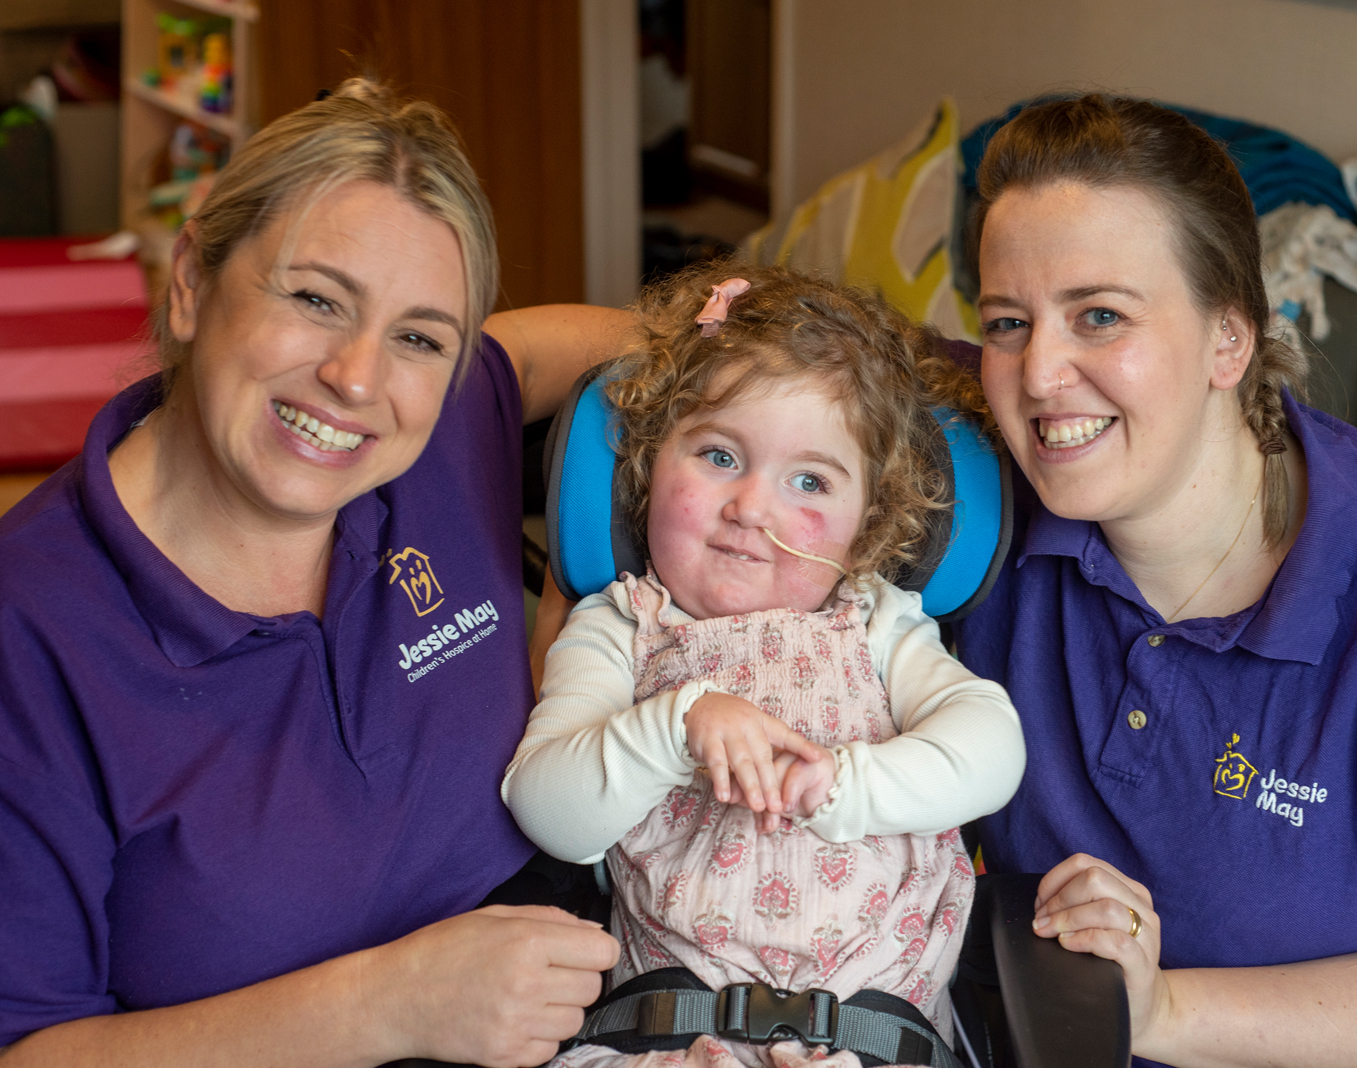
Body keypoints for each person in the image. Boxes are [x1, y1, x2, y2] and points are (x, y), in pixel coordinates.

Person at [958, 96, 1357, 1067]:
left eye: (1101, 316)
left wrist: (1161, 1011)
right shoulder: (971, 477)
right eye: (1008, 321)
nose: (1039, 372)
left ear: (1230, 338)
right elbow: (793, 365)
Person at [0, 79, 624, 1067]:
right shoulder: (29, 635)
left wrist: (766, 358)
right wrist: (389, 1006)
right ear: (191, 282)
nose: (358, 379)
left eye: (418, 336)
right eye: (315, 299)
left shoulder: (441, 429)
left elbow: (552, 352)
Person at [502, 265, 1024, 1068]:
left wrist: (847, 785)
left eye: (809, 481)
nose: (751, 507)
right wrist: (675, 727)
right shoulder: (622, 627)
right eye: (718, 455)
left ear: (866, 524)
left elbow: (991, 749)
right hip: (670, 1037)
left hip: (876, 1042)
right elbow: (546, 810)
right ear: (649, 465)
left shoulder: (877, 624)